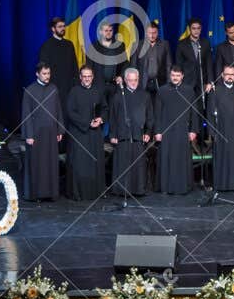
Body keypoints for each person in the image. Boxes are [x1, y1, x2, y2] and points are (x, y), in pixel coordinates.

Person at [153, 65, 198, 194]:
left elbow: (194, 112)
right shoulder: (162, 90)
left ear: (182, 76)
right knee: (166, 158)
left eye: (178, 76)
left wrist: (193, 130)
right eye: (173, 75)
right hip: (166, 131)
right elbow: (157, 113)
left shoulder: (189, 91)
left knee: (181, 159)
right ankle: (166, 187)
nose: (175, 78)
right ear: (170, 75)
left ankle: (183, 187)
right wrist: (157, 131)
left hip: (183, 130)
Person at [21, 64, 63, 201]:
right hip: (36, 134)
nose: (47, 76)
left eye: (49, 73)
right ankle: (37, 195)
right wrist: (28, 135)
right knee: (37, 164)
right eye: (44, 73)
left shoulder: (54, 88)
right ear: (37, 74)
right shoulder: (30, 90)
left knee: (51, 163)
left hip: (51, 133)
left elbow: (58, 110)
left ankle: (51, 194)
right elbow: (26, 114)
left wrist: (60, 129)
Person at [108, 66, 152, 197]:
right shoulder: (117, 97)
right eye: (130, 80)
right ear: (125, 80)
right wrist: (112, 134)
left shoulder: (145, 95)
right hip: (122, 136)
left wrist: (148, 132)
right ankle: (121, 190)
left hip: (139, 136)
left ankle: (138, 190)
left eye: (136, 80)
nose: (133, 82)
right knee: (122, 164)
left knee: (138, 165)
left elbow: (150, 116)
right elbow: (113, 117)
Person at [64, 66, 106, 201]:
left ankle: (95, 193)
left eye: (89, 76)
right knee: (79, 165)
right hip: (79, 134)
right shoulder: (74, 91)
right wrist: (87, 123)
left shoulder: (97, 91)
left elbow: (105, 108)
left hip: (95, 135)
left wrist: (101, 118)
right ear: (80, 77)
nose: (87, 79)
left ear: (92, 77)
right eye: (84, 76)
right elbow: (70, 112)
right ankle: (78, 193)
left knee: (94, 164)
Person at [209, 64, 234, 191]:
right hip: (220, 130)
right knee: (221, 158)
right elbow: (210, 113)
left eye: (232, 75)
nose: (230, 77)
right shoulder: (216, 91)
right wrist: (212, 132)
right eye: (227, 74)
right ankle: (220, 185)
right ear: (222, 75)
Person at [37, 16, 80, 92]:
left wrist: (76, 84)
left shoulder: (69, 44)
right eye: (60, 27)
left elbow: (75, 66)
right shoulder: (46, 46)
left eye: (64, 26)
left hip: (69, 86)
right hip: (53, 87)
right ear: (53, 29)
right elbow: (44, 68)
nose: (63, 29)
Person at [176, 17, 213, 95]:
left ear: (201, 29)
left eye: (198, 28)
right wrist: (179, 81)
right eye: (194, 28)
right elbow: (178, 65)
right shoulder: (181, 44)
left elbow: (209, 64)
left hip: (202, 82)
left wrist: (210, 82)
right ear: (190, 29)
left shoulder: (206, 43)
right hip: (187, 82)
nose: (196, 31)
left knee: (201, 106)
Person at [133, 19, 171, 92]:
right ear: (146, 32)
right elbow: (134, 65)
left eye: (154, 33)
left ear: (158, 33)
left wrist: (169, 82)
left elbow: (168, 65)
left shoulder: (165, 44)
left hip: (160, 83)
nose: (152, 35)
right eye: (149, 33)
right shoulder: (138, 45)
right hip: (142, 83)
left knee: (159, 103)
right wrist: (134, 83)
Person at [88, 20, 128, 90]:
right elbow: (89, 66)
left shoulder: (120, 46)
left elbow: (125, 64)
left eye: (110, 30)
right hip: (98, 86)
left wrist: (121, 76)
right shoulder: (93, 47)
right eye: (106, 31)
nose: (109, 33)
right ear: (100, 32)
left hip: (114, 85)